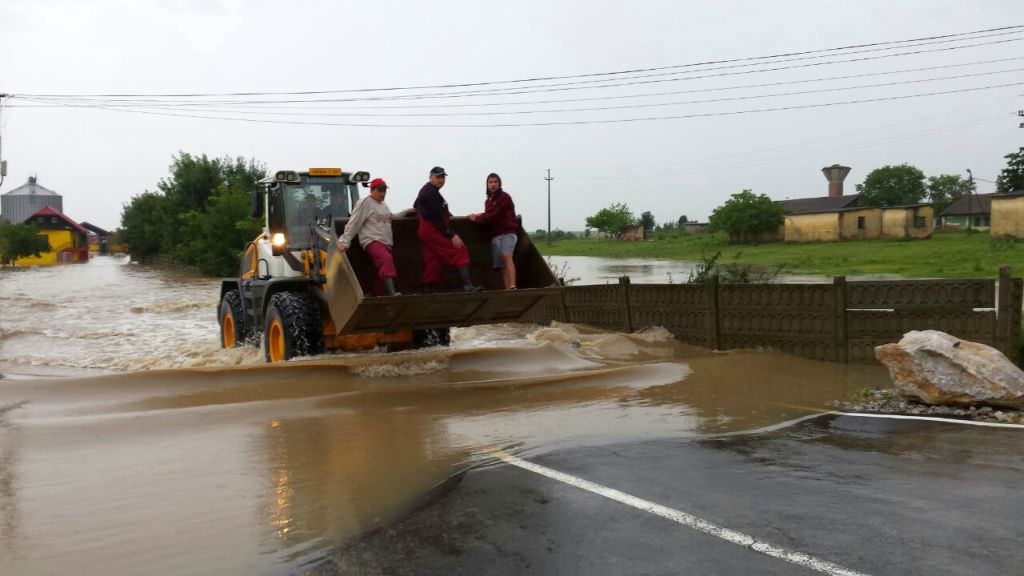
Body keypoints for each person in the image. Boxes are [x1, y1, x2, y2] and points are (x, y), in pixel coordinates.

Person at [413, 166, 481, 292]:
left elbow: (416, 205)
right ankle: (467, 285)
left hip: (426, 230)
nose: (441, 180)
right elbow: (437, 218)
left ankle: (427, 288)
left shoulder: (428, 191)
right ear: (431, 178)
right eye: (438, 177)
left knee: (434, 259)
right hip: (432, 229)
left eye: (443, 177)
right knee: (460, 250)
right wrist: (452, 234)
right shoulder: (430, 193)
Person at [336, 178, 399, 296]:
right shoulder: (365, 203)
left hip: (386, 243)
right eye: (380, 190)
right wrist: (344, 241)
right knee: (386, 260)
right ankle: (392, 293)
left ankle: (376, 294)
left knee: (380, 270)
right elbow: (354, 222)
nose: (382, 193)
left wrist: (406, 213)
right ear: (372, 190)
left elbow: (391, 217)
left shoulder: (384, 205)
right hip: (372, 241)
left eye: (384, 190)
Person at [469, 173, 518, 289]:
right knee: (501, 265)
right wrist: (479, 215)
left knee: (506, 256)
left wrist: (477, 218)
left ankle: (512, 285)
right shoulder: (488, 201)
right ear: (487, 185)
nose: (493, 184)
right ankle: (508, 289)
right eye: (490, 182)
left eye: (495, 182)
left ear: (499, 184)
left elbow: (495, 215)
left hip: (508, 232)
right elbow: (488, 215)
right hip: (495, 235)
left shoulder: (505, 197)